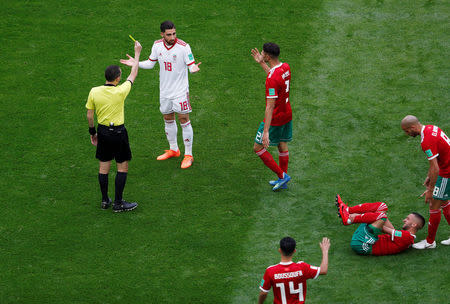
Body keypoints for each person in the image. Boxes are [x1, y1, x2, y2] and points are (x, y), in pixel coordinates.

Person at [121, 20, 201, 169]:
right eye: (169, 34)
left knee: (184, 119)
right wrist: (136, 63)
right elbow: (151, 63)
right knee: (168, 118)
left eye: (174, 33)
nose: (172, 37)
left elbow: (191, 65)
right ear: (162, 34)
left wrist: (194, 68)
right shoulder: (157, 45)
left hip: (180, 92)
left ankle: (188, 155)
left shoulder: (184, 47)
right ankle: (174, 150)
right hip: (164, 91)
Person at [85, 41, 142, 212]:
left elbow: (89, 115)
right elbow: (133, 74)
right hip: (118, 133)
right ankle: (118, 203)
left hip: (102, 132)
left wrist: (92, 133)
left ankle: (104, 200)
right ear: (117, 78)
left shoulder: (94, 91)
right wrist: (137, 54)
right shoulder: (121, 91)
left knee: (103, 167)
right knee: (122, 166)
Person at [401, 115, 450, 248]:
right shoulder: (431, 128)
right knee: (444, 202)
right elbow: (436, 160)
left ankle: (429, 242)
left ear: (412, 127)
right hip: (446, 168)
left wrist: (430, 190)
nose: (407, 134)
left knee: (434, 205)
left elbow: (435, 167)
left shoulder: (426, 141)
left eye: (406, 131)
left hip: (447, 173)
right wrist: (430, 176)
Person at [251, 43, 292, 191]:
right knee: (282, 144)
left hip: (276, 118)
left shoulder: (272, 79)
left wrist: (266, 131)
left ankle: (282, 176)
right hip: (287, 113)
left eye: (263, 53)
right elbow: (275, 77)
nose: (261, 53)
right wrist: (262, 63)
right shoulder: (285, 67)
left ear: (268, 56)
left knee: (258, 147)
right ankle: (283, 180)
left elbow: (269, 106)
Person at [335, 194, 426, 255]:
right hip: (363, 239)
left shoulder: (407, 237)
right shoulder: (404, 237)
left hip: (362, 245)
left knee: (381, 217)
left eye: (407, 219)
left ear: (414, 224)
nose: (404, 220)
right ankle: (348, 210)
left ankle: (349, 219)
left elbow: (383, 228)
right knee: (382, 207)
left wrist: (359, 216)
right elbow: (386, 227)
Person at [258, 236, 330, 304]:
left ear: (279, 250)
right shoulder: (303, 267)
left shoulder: (270, 271)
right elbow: (323, 270)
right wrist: (325, 251)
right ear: (294, 251)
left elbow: (263, 293)